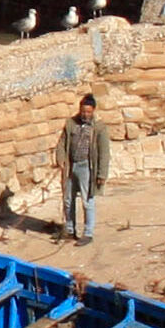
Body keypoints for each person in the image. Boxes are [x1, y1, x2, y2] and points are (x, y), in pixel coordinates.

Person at [59, 93, 109, 244]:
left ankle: (88, 233)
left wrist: (101, 174)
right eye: (83, 111)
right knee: (68, 199)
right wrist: (61, 159)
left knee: (87, 201)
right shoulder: (71, 124)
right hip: (71, 166)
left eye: (88, 111)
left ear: (93, 110)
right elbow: (62, 143)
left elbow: (104, 152)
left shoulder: (99, 128)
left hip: (87, 167)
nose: (85, 114)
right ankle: (69, 230)